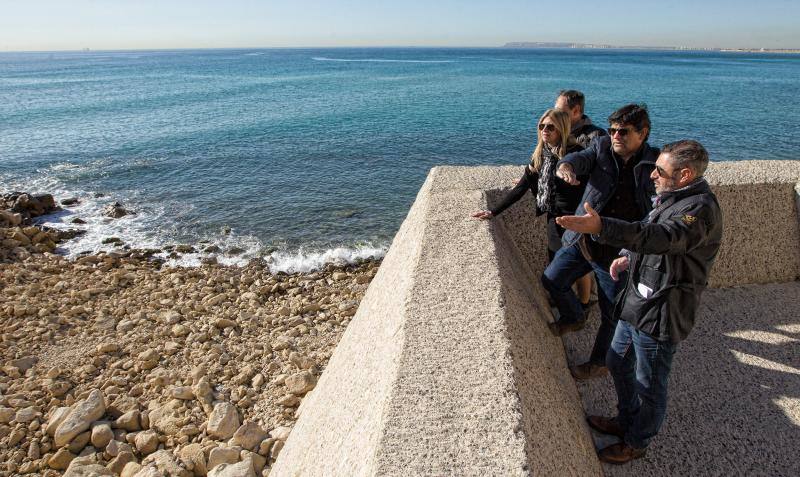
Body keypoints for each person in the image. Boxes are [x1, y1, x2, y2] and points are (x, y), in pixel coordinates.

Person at [554, 139, 723, 464]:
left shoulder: (699, 209)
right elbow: (650, 228)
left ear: (685, 174)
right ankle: (626, 419)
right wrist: (629, 256)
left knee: (650, 383)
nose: (652, 176)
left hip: (662, 310)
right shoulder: (672, 197)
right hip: (639, 300)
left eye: (660, 170)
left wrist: (602, 227)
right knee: (616, 361)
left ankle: (637, 441)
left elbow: (665, 238)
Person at [542, 104, 658, 381]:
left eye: (623, 132)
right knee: (551, 279)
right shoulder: (602, 147)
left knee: (612, 314)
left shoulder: (655, 162)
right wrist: (566, 167)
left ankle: (598, 363)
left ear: (642, 133)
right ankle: (574, 317)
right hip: (584, 240)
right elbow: (579, 159)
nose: (616, 136)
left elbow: (661, 203)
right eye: (612, 130)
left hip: (618, 251)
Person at [472, 108, 585, 263]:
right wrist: (493, 211)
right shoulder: (542, 154)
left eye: (550, 127)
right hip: (554, 217)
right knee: (556, 265)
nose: (545, 130)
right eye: (542, 126)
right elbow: (521, 187)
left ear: (562, 128)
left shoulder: (576, 153)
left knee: (574, 267)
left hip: (576, 218)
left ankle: (588, 288)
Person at [554, 89, 607, 307]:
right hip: (564, 204)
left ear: (576, 111)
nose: (555, 114)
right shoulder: (560, 131)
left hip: (584, 207)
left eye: (560, 110)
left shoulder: (596, 137)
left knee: (582, 256)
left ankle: (585, 303)